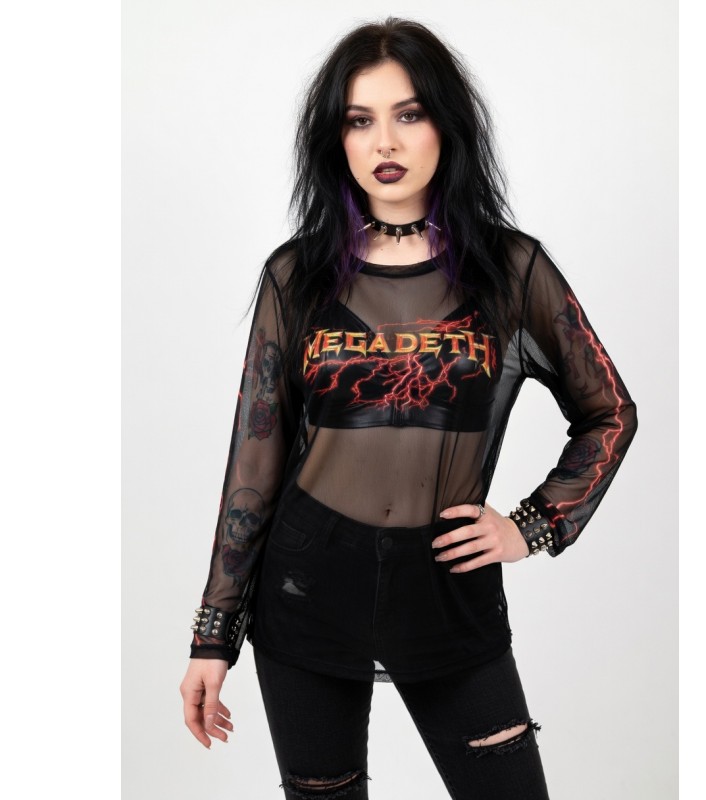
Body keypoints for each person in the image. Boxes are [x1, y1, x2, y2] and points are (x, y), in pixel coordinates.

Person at [179, 17, 637, 800]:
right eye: (360, 120)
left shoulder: (510, 270)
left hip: (447, 586)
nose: (384, 141)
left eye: (409, 113)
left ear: (445, 125)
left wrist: (531, 526)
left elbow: (610, 412)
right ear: (337, 139)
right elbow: (255, 459)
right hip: (305, 586)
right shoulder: (297, 276)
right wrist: (213, 635)